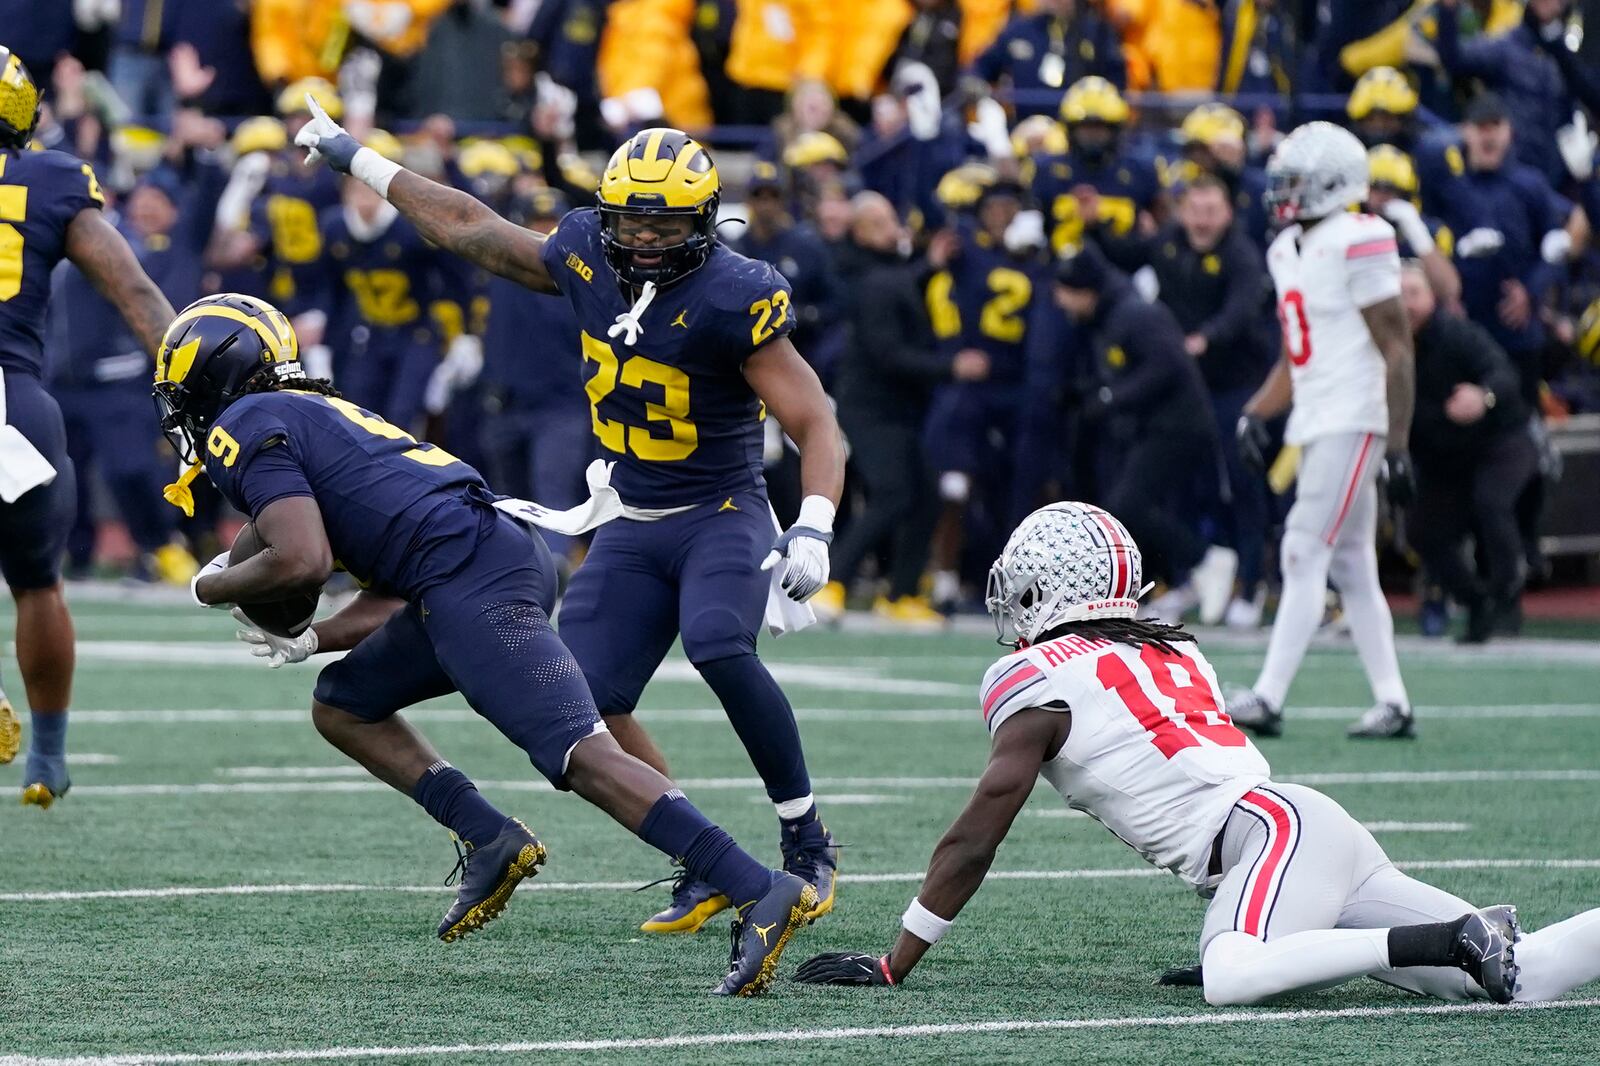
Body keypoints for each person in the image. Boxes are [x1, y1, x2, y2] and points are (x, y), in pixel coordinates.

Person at [155, 293, 814, 996]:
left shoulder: (246, 423)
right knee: (345, 701)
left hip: (473, 575)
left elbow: (301, 560)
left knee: (579, 757)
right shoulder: (317, 413)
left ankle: (756, 887)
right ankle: (489, 836)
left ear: (208, 377)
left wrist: (208, 588)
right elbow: (394, 580)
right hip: (486, 556)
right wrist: (314, 637)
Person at [295, 110, 848, 935]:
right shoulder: (587, 250)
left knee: (718, 643)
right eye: (631, 218)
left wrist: (813, 523)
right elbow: (468, 226)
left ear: (703, 220)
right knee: (580, 699)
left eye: (664, 222)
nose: (646, 238)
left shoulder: (738, 294)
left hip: (720, 509)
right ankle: (703, 861)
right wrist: (359, 160)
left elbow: (817, 420)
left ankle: (806, 840)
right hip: (629, 512)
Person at [793, 502, 1600, 1009]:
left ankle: (1455, 934)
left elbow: (978, 833)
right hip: (1299, 834)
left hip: (1270, 837)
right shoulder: (1176, 649)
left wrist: (898, 958)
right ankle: (1466, 941)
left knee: (1232, 977)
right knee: (1518, 979)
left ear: (1046, 590)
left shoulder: (1034, 678)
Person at [0, 49, 176, 804]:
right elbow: (133, 288)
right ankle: (49, 754)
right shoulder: (51, 178)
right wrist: (192, 386)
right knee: (39, 583)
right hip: (17, 402)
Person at [1227, 122, 1416, 741]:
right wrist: (1258, 410)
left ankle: (1268, 695)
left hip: (1355, 415)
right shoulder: (1288, 249)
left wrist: (1399, 443)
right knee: (1355, 564)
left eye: (1295, 183)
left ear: (1334, 184)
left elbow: (1397, 348)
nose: (1282, 194)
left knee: (1303, 548)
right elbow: (1296, 354)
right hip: (1319, 415)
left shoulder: (1361, 236)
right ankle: (1393, 701)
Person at [815, 192, 971, 625]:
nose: (895, 228)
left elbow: (902, 284)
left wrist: (929, 265)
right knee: (892, 494)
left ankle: (901, 594)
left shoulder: (887, 272)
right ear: (861, 231)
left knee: (924, 496)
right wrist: (951, 366)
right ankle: (831, 582)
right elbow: (890, 354)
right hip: (870, 407)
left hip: (899, 407)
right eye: (881, 222)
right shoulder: (870, 278)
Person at [1051, 244, 1219, 606]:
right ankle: (1169, 584)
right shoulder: (1110, 315)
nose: (1060, 301)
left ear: (1085, 290)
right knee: (1131, 507)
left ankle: (1206, 560)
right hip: (1154, 426)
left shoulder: (1134, 314)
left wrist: (1113, 397)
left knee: (1126, 505)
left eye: (1065, 292)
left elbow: (1168, 363)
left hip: (1177, 425)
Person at [922, 172, 1047, 612]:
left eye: (1009, 209)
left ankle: (1018, 585)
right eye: (993, 209)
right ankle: (945, 576)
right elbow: (929, 254)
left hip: (1021, 386)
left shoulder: (1040, 258)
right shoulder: (966, 251)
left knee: (1021, 486)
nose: (1001, 216)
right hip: (974, 387)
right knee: (956, 481)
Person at [1400, 264, 1536, 644]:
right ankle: (1476, 602)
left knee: (1491, 502)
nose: (1406, 303)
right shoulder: (1385, 347)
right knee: (1422, 530)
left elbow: (1504, 375)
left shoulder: (1457, 334)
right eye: (1398, 295)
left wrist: (1484, 397)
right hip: (1443, 458)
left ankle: (1508, 589)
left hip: (1499, 441)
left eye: (1413, 292)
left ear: (1432, 296)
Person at [476, 187, 590, 571]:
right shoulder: (502, 267)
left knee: (552, 490)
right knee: (507, 499)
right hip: (506, 402)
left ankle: (554, 566)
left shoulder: (581, 279)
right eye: (535, 222)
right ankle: (517, 571)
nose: (543, 231)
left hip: (561, 404)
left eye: (550, 222)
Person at [968, 0, 1126, 119]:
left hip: (1079, 129)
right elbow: (980, 66)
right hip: (1022, 129)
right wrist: (973, 80)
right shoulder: (1019, 30)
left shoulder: (1096, 32)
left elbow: (1117, 82)